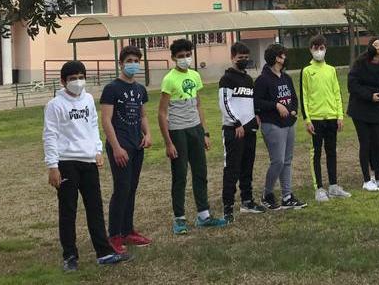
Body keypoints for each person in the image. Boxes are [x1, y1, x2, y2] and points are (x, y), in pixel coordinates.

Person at [44, 61, 129, 271]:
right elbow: (50, 135)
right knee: (68, 211)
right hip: (66, 163)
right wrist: (53, 166)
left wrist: (97, 150)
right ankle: (70, 256)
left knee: (95, 208)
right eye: (72, 78)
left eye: (81, 77)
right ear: (63, 81)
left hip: (88, 161)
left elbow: (92, 125)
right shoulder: (55, 105)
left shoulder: (89, 99)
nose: (77, 82)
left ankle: (104, 252)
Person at [159, 39, 227, 234]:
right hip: (178, 132)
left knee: (200, 173)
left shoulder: (195, 76)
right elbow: (162, 113)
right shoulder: (169, 79)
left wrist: (204, 132)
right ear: (173, 58)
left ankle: (203, 215)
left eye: (188, 55)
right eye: (180, 56)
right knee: (180, 176)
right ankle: (179, 219)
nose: (185, 59)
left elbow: (198, 105)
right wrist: (168, 142)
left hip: (195, 130)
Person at [100, 45, 152, 253]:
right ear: (121, 64)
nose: (133, 65)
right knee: (121, 189)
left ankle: (128, 230)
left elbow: (142, 115)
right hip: (120, 146)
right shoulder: (112, 89)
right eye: (129, 61)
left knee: (131, 188)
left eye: (136, 61)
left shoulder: (140, 89)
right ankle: (114, 236)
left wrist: (147, 134)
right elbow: (106, 120)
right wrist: (116, 147)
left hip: (136, 145)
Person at [254, 43, 307, 211]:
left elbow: (294, 97)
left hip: (289, 124)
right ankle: (267, 194)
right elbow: (257, 102)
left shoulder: (286, 77)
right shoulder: (263, 79)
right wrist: (276, 106)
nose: (285, 58)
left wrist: (293, 110)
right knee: (277, 161)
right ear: (276, 58)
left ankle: (287, 196)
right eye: (283, 55)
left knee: (287, 161)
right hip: (272, 125)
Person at [218, 42, 267, 221]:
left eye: (246, 58)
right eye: (240, 58)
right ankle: (228, 208)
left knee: (247, 167)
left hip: (249, 129)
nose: (244, 61)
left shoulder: (248, 80)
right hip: (234, 130)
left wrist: (256, 117)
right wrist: (236, 122)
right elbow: (224, 103)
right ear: (232, 58)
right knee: (232, 169)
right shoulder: (227, 79)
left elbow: (251, 103)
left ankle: (247, 201)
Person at [300, 35, 352, 202]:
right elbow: (304, 96)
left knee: (331, 152)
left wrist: (339, 115)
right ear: (310, 50)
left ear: (326, 49)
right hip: (315, 119)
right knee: (316, 153)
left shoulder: (331, 70)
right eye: (315, 48)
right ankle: (319, 188)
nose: (319, 51)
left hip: (331, 118)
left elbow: (337, 93)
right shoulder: (307, 71)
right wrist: (307, 119)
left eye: (321, 48)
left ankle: (334, 185)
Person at [348, 37, 379, 191]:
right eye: (372, 44)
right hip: (360, 109)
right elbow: (352, 84)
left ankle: (378, 177)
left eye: (376, 45)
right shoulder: (360, 62)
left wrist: (377, 95)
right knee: (365, 143)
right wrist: (370, 95)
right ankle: (366, 180)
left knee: (378, 144)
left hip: (378, 110)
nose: (371, 46)